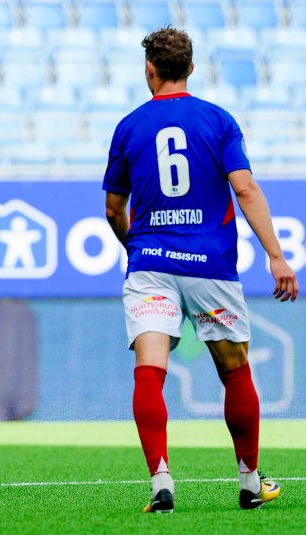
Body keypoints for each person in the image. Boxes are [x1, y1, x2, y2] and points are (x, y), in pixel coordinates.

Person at [103, 27, 299, 513]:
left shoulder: (129, 126)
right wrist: (276, 255)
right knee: (235, 373)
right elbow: (246, 190)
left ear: (149, 69)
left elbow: (112, 209)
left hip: (150, 265)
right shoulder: (217, 120)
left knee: (149, 372)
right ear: (191, 68)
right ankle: (251, 481)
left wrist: (139, 250)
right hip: (210, 265)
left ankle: (161, 482)